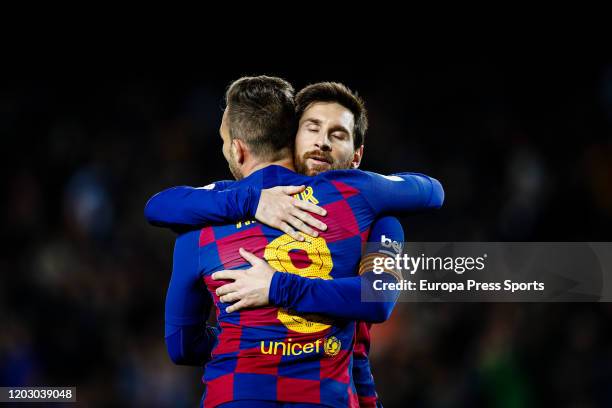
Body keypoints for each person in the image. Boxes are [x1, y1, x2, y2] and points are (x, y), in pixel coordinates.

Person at [146, 76, 443, 407]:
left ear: (237, 148)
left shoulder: (198, 226)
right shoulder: (363, 201)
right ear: (294, 136)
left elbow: (181, 345)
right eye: (312, 128)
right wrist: (252, 201)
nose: (322, 144)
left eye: (337, 134)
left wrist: (272, 296)